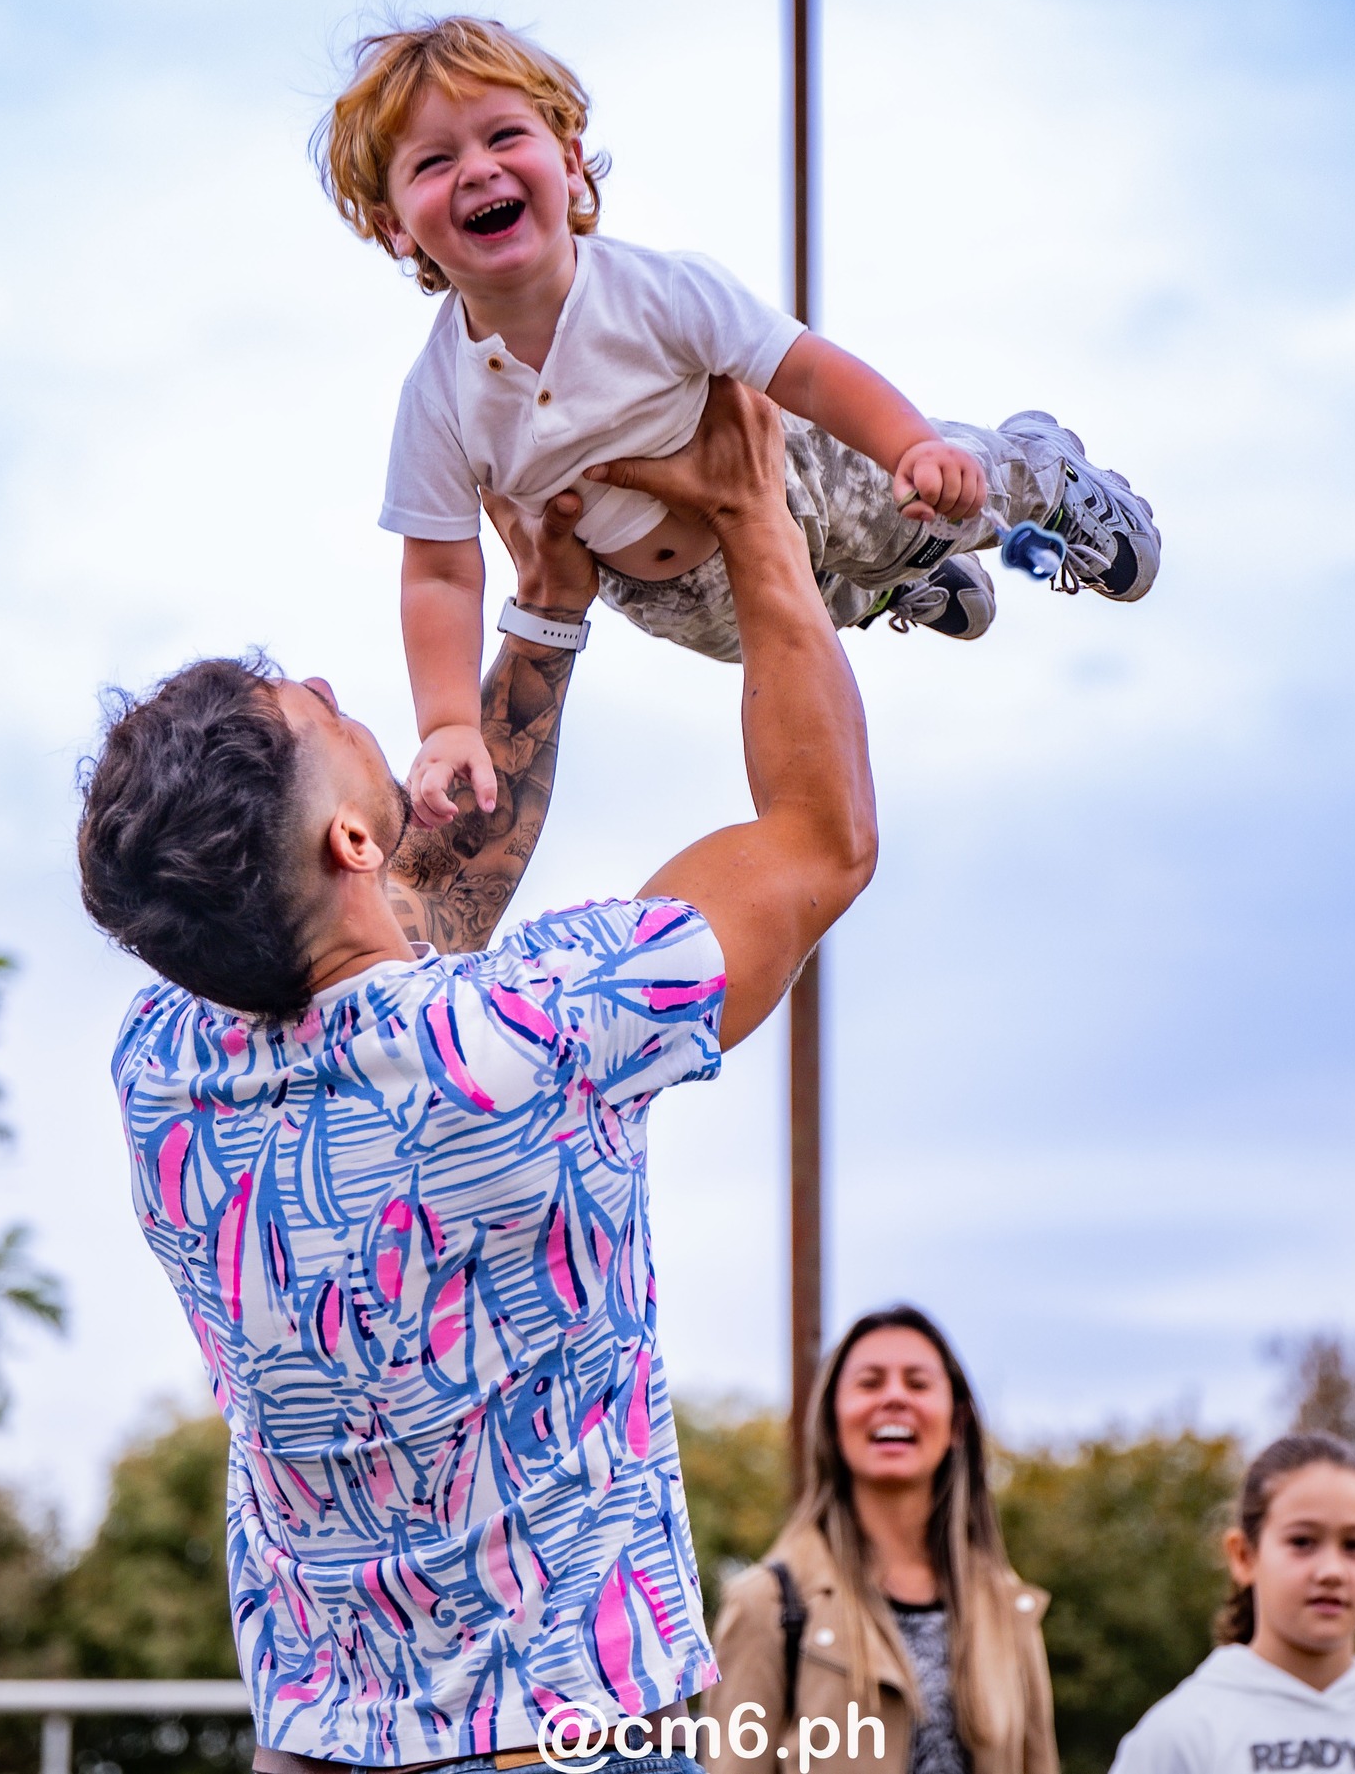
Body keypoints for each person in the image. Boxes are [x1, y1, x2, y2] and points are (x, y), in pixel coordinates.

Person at [75, 379, 878, 1773]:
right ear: (343, 845)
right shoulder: (538, 1031)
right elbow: (817, 841)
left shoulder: (162, 1071)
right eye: (317, 709)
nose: (337, 688)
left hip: (318, 1743)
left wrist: (545, 622)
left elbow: (396, 944)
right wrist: (757, 522)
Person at [316, 14, 1163, 825]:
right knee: (780, 633)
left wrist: (912, 444)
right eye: (433, 162)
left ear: (570, 165)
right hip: (671, 591)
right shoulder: (436, 397)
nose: (477, 169)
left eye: (505, 137)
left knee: (917, 512)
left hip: (801, 474)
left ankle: (1042, 478)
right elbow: (440, 571)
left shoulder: (654, 293)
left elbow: (808, 370)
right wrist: (448, 723)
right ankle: (895, 590)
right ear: (396, 228)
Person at [702, 1307, 1058, 1774]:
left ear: (957, 1422)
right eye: (870, 1383)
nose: (894, 1398)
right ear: (831, 1419)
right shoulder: (767, 1606)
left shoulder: (1008, 1610)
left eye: (918, 1383)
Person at [1108, 1434, 1355, 1774]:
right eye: (1302, 1541)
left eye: (1354, 1545)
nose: (1331, 1571)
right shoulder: (1177, 1737)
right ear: (1244, 1556)